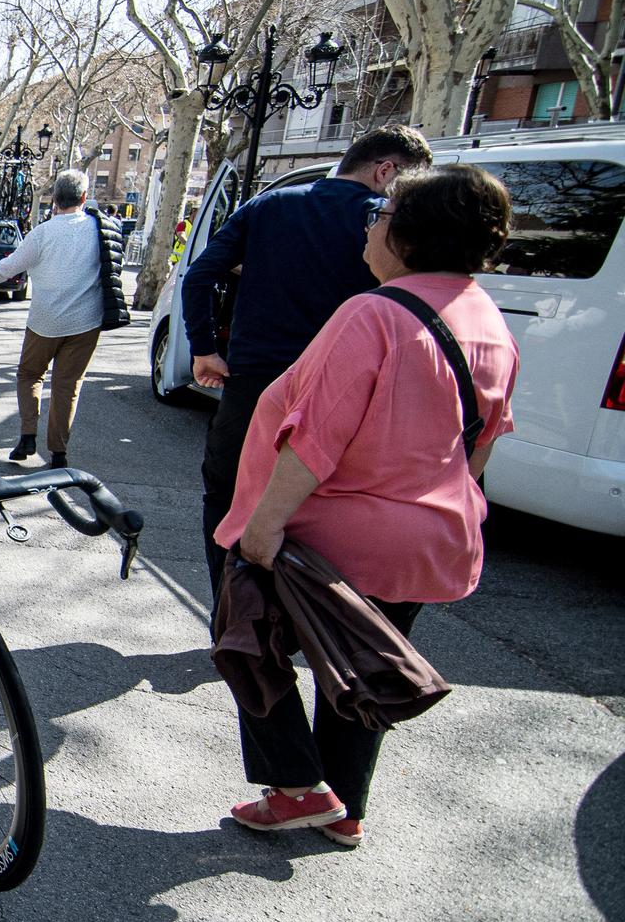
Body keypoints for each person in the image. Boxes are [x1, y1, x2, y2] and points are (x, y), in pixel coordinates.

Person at [216, 165, 519, 848]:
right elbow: (480, 445)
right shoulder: (487, 319)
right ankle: (345, 807)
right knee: (361, 662)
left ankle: (296, 785)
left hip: (335, 532)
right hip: (430, 536)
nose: (368, 226)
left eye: (379, 214)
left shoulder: (374, 313)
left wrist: (262, 526)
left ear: (410, 234)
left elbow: (316, 436)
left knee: (245, 634)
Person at [184, 125, 434, 615]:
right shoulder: (384, 224)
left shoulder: (269, 205)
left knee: (228, 498)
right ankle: (310, 622)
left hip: (256, 386)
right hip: (346, 395)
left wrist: (204, 349)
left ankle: (232, 616)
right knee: (325, 511)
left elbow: (199, 274)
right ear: (385, 170)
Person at [0, 170, 117, 469]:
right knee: (68, 385)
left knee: (29, 374)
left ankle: (27, 436)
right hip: (86, 321)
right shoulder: (99, 230)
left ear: (55, 199)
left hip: (45, 320)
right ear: (84, 197)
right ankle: (58, 452)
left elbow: (8, 268)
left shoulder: (43, 233)